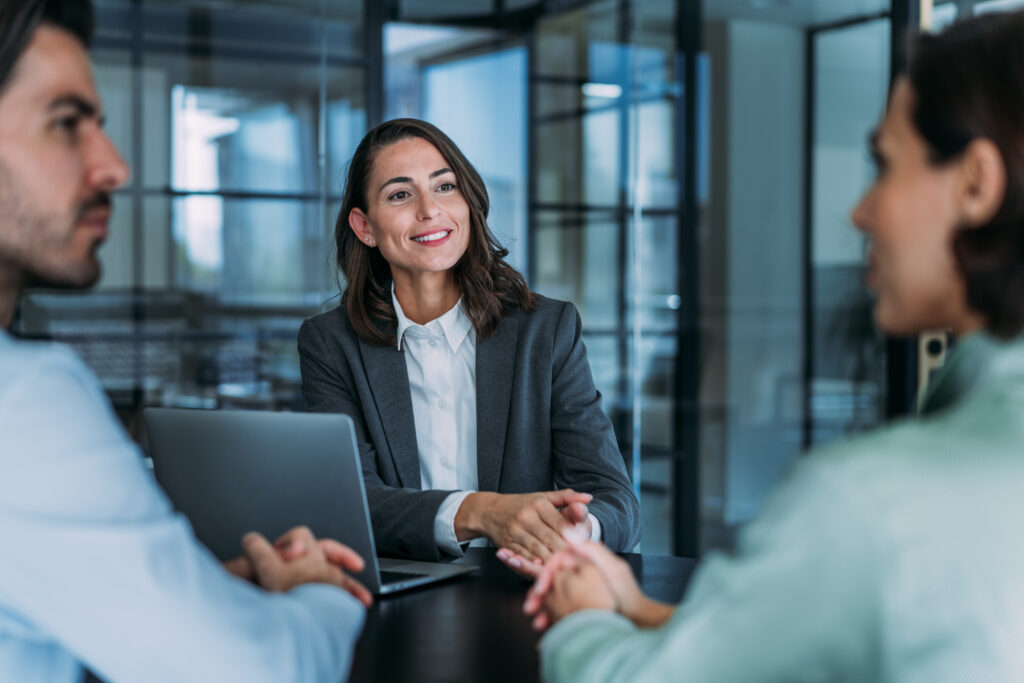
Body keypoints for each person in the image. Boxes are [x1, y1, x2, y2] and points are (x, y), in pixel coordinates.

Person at [527, 9, 1024, 682]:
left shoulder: (868, 505)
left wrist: (583, 617)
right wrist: (644, 610)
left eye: (883, 163)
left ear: (975, 183)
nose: (860, 210)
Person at [0, 2, 370, 681]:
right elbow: (262, 671)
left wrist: (196, 598)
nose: (113, 166)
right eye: (64, 124)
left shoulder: (544, 330)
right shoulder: (22, 400)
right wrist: (318, 593)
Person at [298, 118, 641, 568]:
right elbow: (353, 502)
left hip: (525, 589)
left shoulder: (547, 331)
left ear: (468, 203)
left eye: (445, 187)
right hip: (402, 588)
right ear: (365, 227)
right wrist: (478, 512)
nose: (429, 210)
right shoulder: (330, 343)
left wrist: (575, 531)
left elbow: (617, 501)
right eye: (400, 194)